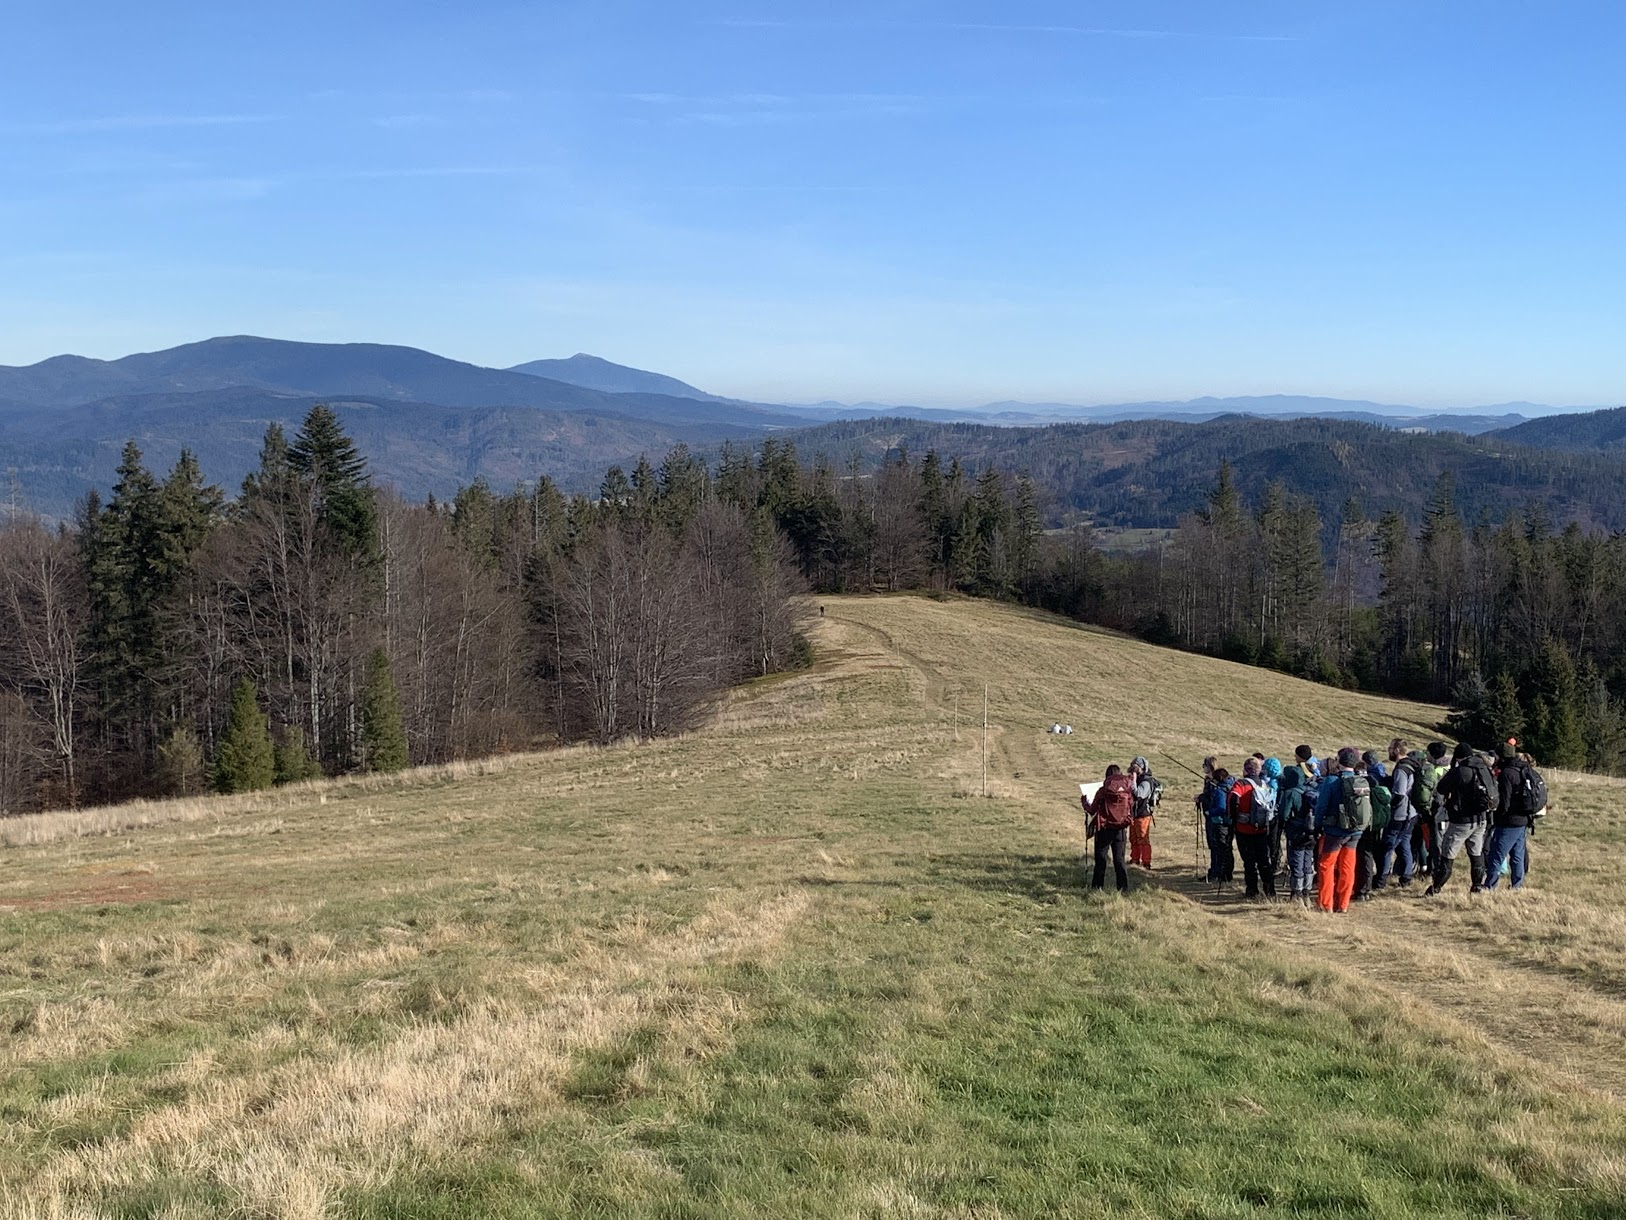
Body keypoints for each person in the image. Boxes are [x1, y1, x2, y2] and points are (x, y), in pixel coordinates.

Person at [1428, 742, 1497, 895]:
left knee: (1448, 855)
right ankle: (1477, 886)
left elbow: (1441, 788)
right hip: (1481, 818)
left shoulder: (1460, 771)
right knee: (1476, 854)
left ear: (1457, 756)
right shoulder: (1483, 768)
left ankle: (1435, 888)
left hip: (1461, 821)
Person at [1314, 747, 1371, 913]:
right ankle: (1343, 904)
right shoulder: (1361, 780)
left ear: (1339, 762)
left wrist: (1317, 824)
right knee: (1347, 866)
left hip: (1335, 831)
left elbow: (1322, 805)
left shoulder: (1331, 781)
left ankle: (1326, 904)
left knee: (1326, 865)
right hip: (1355, 831)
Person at [1483, 742, 1538, 890]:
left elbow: (1505, 802)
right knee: (1517, 855)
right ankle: (1517, 885)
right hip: (1523, 819)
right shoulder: (1523, 768)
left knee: (1496, 855)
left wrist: (1496, 817)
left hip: (1509, 821)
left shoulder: (1507, 773)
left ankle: (1490, 886)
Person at [1376, 741, 1423, 888]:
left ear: (1397, 750)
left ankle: (1380, 880)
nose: (1388, 751)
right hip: (1412, 813)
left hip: (1400, 814)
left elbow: (1399, 794)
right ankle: (1406, 877)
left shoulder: (1401, 769)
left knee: (1387, 847)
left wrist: (1389, 806)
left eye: (1390, 748)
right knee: (1404, 844)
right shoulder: (1413, 765)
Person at [1230, 757, 1277, 898]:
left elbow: (1233, 798)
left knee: (1249, 861)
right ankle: (1270, 890)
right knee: (1264, 860)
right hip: (1262, 829)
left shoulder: (1240, 784)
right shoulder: (1264, 784)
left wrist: (1234, 817)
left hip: (1244, 828)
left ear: (1245, 769)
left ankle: (1252, 890)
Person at [1085, 764, 1135, 892]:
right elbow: (1131, 806)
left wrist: (1084, 802)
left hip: (1104, 828)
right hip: (1120, 829)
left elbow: (1092, 810)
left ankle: (1097, 888)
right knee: (1119, 860)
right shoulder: (1126, 791)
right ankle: (1123, 888)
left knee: (1101, 860)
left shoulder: (1103, 791)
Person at [1278, 764, 1317, 905]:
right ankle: (1307, 893)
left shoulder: (1291, 793)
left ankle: (1296, 894)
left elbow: (1284, 815)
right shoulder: (1311, 790)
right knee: (1308, 862)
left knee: (1296, 862)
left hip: (1296, 833)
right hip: (1311, 832)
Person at [1198, 760, 1236, 885]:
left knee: (1219, 848)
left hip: (1219, 822)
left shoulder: (1220, 790)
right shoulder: (1228, 786)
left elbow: (1221, 807)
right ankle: (1221, 873)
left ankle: (1221, 873)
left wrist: (1210, 812)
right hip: (1226, 822)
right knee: (1223, 848)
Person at [1128, 756, 1162, 869]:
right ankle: (1135, 859)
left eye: (1135, 766)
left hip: (1143, 814)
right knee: (1133, 838)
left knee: (1143, 838)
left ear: (1141, 767)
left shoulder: (1146, 782)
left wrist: (1133, 781)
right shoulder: (1139, 779)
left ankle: (1146, 862)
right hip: (1134, 813)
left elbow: (1139, 794)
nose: (1132, 768)